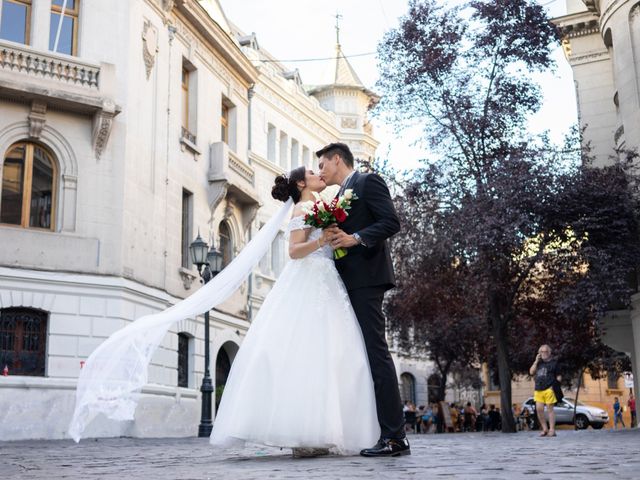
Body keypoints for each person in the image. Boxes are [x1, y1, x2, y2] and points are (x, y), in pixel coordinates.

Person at [209, 166, 380, 456]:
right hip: (309, 279)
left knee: (328, 354)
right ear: (302, 182)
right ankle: (305, 435)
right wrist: (322, 240)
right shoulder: (303, 207)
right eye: (313, 171)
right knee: (309, 353)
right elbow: (294, 251)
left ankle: (320, 433)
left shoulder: (320, 207)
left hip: (326, 279)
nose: (319, 173)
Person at [318, 143, 409, 457]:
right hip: (348, 281)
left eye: (322, 165)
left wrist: (354, 238)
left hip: (367, 280)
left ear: (337, 160)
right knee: (362, 356)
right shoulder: (340, 193)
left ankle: (396, 438)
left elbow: (391, 222)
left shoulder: (367, 182)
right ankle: (377, 431)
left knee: (376, 353)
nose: (320, 171)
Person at [529, 344, 559, 437]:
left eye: (545, 351)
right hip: (538, 389)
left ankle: (552, 430)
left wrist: (555, 385)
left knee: (550, 409)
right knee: (539, 409)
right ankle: (545, 429)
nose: (543, 353)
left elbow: (559, 376)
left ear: (549, 353)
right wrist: (535, 361)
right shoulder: (538, 363)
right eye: (541, 352)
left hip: (549, 388)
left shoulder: (554, 363)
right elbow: (531, 372)